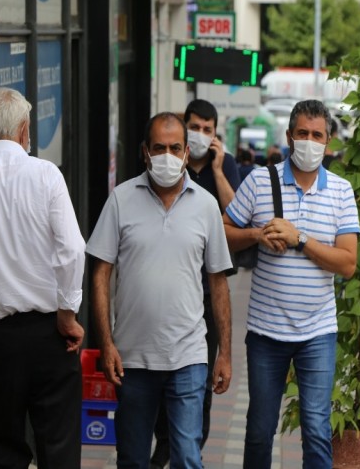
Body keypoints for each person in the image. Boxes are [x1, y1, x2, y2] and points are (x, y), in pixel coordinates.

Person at [87, 112, 233, 469]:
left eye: (175, 147)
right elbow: (100, 275)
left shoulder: (206, 206)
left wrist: (225, 354)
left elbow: (218, 282)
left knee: (186, 455)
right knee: (133, 458)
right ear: (144, 152)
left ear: (186, 153)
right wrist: (106, 344)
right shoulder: (121, 200)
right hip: (132, 359)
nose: (167, 155)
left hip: (189, 356)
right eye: (159, 147)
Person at [0, 87, 86, 468]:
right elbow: (73, 250)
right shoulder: (46, 175)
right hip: (50, 335)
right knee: (57, 446)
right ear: (25, 128)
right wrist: (67, 313)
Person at [223, 100, 360, 468]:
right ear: (289, 136)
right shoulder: (259, 181)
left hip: (318, 332)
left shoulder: (341, 192)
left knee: (316, 429)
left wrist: (300, 239)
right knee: (259, 429)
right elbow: (223, 232)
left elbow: (347, 263)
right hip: (266, 332)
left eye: (318, 135)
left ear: (328, 142)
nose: (310, 142)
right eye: (303, 134)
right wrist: (256, 234)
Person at [150, 99, 241, 467]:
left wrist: (218, 170)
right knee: (158, 378)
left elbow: (235, 217)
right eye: (195, 127)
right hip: (163, 296)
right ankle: (166, 445)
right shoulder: (163, 168)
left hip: (204, 296)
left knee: (198, 383)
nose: (201, 134)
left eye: (208, 129)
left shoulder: (226, 166)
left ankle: (189, 449)